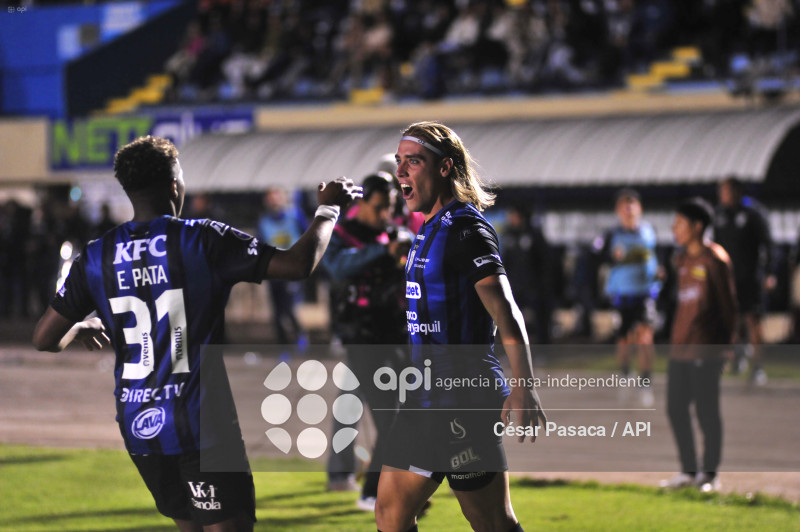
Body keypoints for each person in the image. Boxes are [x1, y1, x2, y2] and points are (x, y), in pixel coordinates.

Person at [31, 135, 361, 532]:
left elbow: (44, 339)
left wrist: (83, 326)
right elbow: (298, 263)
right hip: (201, 423)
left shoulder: (97, 254)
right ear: (175, 184)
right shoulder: (201, 238)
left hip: (138, 424)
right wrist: (328, 208)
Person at [375, 122, 546, 532]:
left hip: (463, 399)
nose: (401, 172)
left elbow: (505, 310)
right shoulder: (429, 227)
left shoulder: (466, 229)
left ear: (446, 167)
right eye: (399, 162)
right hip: (424, 394)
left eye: (412, 162)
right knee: (390, 513)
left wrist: (524, 387)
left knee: (490, 520)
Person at [322, 172, 412, 510]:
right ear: (361, 202)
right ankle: (369, 489)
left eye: (390, 207)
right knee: (385, 416)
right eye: (379, 207)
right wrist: (382, 250)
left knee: (406, 414)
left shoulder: (394, 232)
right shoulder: (343, 233)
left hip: (397, 333)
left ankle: (389, 487)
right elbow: (337, 267)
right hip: (361, 337)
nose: (386, 215)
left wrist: (405, 247)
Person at [662, 198, 737, 493]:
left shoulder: (715, 259)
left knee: (706, 411)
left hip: (706, 349)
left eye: (679, 223)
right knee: (675, 408)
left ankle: (710, 474)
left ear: (697, 226)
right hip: (680, 348)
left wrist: (728, 346)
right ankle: (688, 471)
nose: (674, 229)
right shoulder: (681, 260)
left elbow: (729, 307)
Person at [599, 188, 661, 406]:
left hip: (646, 292)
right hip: (622, 294)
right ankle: (625, 371)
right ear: (618, 210)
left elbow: (657, 256)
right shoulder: (611, 235)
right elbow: (598, 258)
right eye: (624, 206)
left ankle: (645, 379)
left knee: (645, 335)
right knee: (625, 338)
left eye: (632, 205)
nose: (629, 210)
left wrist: (660, 272)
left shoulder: (649, 231)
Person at [713, 176, 774, 385]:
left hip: (750, 278)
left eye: (726, 191)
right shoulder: (719, 215)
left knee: (753, 321)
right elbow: (714, 247)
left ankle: (758, 367)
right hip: (728, 278)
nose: (722, 195)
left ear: (737, 192)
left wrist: (769, 273)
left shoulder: (754, 214)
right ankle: (738, 354)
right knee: (729, 320)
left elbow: (768, 244)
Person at [257, 187, 309, 346]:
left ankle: (300, 336)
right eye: (270, 199)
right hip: (273, 270)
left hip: (292, 268)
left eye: (276, 198)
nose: (273, 202)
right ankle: (283, 343)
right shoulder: (263, 221)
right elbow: (260, 244)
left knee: (290, 306)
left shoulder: (294, 216)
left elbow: (308, 236)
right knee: (277, 310)